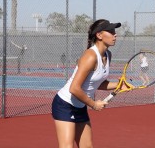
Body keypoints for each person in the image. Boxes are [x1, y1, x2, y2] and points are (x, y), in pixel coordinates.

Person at [52, 19, 130, 148]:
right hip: (65, 104)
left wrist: (119, 85)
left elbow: (97, 83)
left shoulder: (108, 55)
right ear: (99, 35)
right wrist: (93, 104)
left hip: (80, 106)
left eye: (114, 31)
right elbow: (74, 88)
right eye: (110, 31)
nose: (115, 34)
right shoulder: (90, 56)